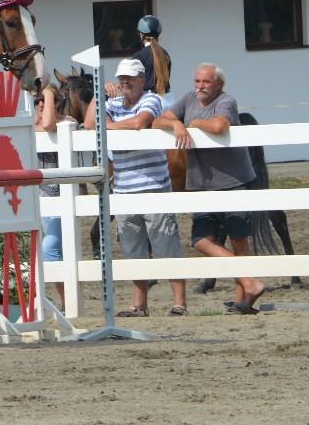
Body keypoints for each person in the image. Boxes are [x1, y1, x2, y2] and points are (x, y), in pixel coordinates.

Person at [155, 64, 266, 314]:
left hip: (233, 180)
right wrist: (177, 125)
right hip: (202, 184)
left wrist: (193, 122)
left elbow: (219, 126)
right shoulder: (188, 99)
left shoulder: (227, 101)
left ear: (218, 84)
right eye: (197, 81)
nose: (200, 86)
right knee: (201, 241)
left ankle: (243, 301)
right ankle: (250, 282)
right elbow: (158, 120)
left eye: (205, 81)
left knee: (239, 240)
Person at [84, 57, 187, 316]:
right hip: (124, 188)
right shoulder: (113, 103)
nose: (124, 82)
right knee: (133, 249)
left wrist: (107, 127)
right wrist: (99, 93)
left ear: (142, 80)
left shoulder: (151, 99)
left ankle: (179, 302)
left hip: (153, 186)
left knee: (166, 245)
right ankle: (140, 304)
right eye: (122, 77)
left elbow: (139, 123)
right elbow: (89, 124)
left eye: (130, 77)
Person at [34, 82, 66, 308]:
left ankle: (66, 301)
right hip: (37, 200)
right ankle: (64, 302)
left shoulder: (66, 123)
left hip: (59, 199)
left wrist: (48, 91)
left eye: (45, 100)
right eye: (37, 100)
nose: (40, 104)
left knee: (50, 250)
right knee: (45, 253)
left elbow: (48, 125)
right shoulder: (29, 127)